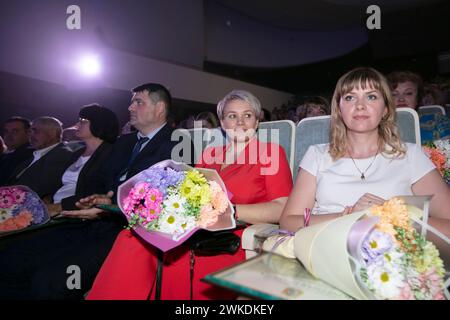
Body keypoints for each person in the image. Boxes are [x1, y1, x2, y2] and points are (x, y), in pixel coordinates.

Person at [87, 89, 293, 300]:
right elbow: (190, 195)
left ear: (257, 121)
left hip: (232, 234)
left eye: (247, 115)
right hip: (193, 229)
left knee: (179, 260)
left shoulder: (270, 153)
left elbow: (281, 208)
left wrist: (226, 211)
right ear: (222, 123)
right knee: (131, 237)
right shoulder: (210, 155)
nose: (240, 122)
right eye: (232, 116)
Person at [0, 83, 188, 300]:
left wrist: (108, 205)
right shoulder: (123, 142)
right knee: (11, 260)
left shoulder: (177, 142)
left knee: (50, 281)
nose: (130, 108)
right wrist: (88, 202)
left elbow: (163, 197)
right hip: (89, 222)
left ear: (160, 108)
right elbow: (98, 182)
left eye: (139, 102)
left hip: (128, 232)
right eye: (131, 102)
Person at [279, 67, 450, 246]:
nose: (360, 105)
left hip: (392, 260)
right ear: (339, 109)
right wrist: (349, 216)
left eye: (371, 96)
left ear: (385, 109)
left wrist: (391, 216)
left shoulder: (411, 155)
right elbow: (289, 222)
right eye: (350, 97)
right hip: (327, 252)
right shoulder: (317, 155)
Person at [46, 104, 119, 214]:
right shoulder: (77, 153)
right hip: (54, 210)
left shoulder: (110, 154)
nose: (77, 124)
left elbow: (97, 192)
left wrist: (58, 207)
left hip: (75, 215)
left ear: (99, 124)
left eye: (83, 121)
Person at [2, 117, 78, 198]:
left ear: (53, 133)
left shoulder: (62, 155)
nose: (31, 135)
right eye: (30, 131)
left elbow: (41, 188)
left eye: (35, 131)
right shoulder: (34, 154)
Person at [387, 70, 450, 143]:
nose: (401, 99)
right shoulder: (378, 126)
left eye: (408, 93)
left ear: (417, 98)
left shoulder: (437, 120)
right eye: (394, 94)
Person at [0, 117, 34, 184]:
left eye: (15, 131)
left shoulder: (29, 154)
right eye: (6, 131)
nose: (9, 135)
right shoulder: (7, 155)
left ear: (28, 133)